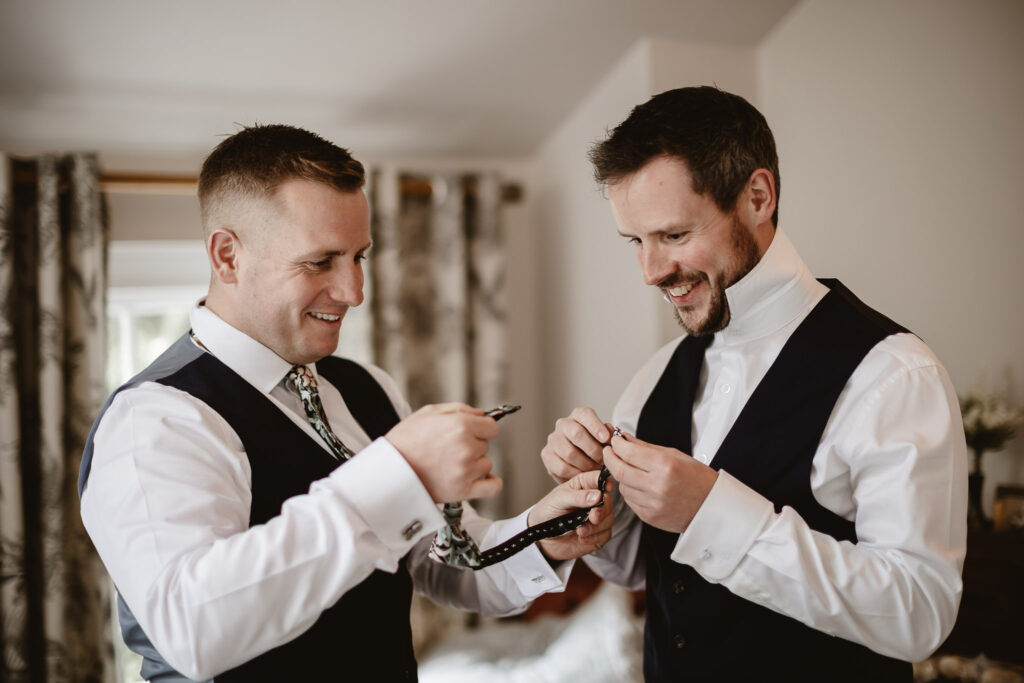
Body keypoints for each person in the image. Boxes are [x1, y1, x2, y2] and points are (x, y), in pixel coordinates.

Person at [78, 124, 612, 682]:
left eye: (359, 257)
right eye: (320, 262)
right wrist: (397, 475)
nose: (354, 291)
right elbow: (193, 630)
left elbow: (443, 563)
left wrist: (538, 538)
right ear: (228, 255)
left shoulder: (367, 386)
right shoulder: (158, 418)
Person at [540, 86, 966, 682]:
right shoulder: (655, 376)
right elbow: (642, 570)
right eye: (636, 241)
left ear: (758, 197)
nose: (651, 271)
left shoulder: (893, 373)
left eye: (674, 236)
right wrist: (603, 515)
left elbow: (920, 615)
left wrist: (712, 511)